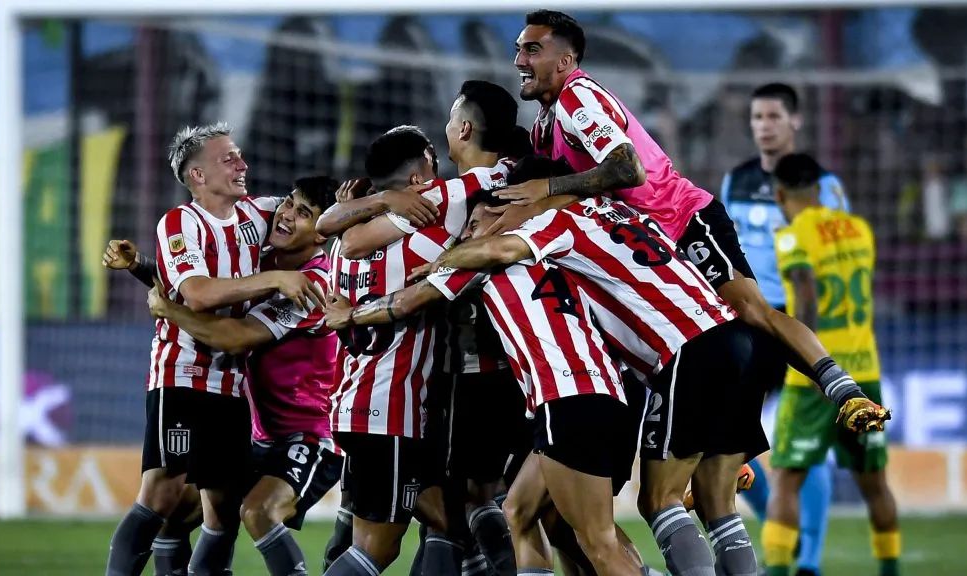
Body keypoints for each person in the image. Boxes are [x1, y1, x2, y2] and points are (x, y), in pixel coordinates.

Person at [492, 9, 890, 429]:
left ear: (564, 61)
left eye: (532, 49)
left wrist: (547, 188)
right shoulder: (543, 127)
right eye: (518, 49)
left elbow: (628, 169)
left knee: (749, 310)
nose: (519, 60)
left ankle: (845, 391)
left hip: (682, 220)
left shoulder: (578, 97)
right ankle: (721, 450)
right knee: (688, 342)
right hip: (643, 248)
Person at [324, 156, 655, 576]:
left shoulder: (485, 258)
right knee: (522, 513)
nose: (466, 233)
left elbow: (406, 301)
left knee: (595, 540)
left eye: (474, 224)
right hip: (613, 394)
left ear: (500, 214)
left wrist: (348, 316)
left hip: (567, 398)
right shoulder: (561, 243)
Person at [103, 122, 324, 576]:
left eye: (240, 155)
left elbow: (317, 217)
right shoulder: (181, 223)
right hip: (182, 374)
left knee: (221, 508)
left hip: (233, 386)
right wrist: (277, 278)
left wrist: (384, 199)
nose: (242, 165)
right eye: (229, 159)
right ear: (197, 176)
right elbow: (200, 293)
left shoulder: (260, 214)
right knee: (163, 493)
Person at [143, 177, 345, 576]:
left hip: (309, 435)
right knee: (176, 511)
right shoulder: (262, 262)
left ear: (322, 233)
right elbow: (202, 285)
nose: (286, 215)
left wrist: (170, 311)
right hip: (257, 436)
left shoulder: (316, 284)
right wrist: (138, 267)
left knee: (258, 512)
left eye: (304, 214)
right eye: (289, 203)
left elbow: (235, 339)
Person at [720, 82, 848, 575]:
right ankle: (779, 521)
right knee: (731, 438)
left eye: (773, 116)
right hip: (747, 320)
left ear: (794, 121)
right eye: (757, 118)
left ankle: (808, 560)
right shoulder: (736, 181)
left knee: (802, 447)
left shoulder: (821, 186)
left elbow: (834, 262)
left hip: (799, 324)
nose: (764, 126)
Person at [762, 154, 901, 576]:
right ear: (820, 191)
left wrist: (810, 359)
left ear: (780, 194)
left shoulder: (791, 235)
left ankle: (778, 571)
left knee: (786, 478)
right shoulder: (860, 231)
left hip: (816, 379)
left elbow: (805, 290)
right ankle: (891, 569)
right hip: (866, 373)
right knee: (874, 483)